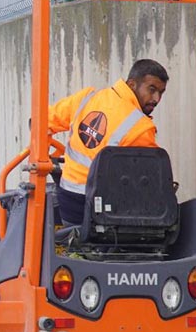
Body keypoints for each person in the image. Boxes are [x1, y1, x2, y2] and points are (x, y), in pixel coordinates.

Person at [48, 59, 168, 226]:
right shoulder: (140, 127)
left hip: (68, 202)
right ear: (132, 85)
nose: (156, 99)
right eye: (152, 90)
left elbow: (42, 121)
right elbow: (150, 182)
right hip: (104, 213)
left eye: (161, 93)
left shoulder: (88, 97)